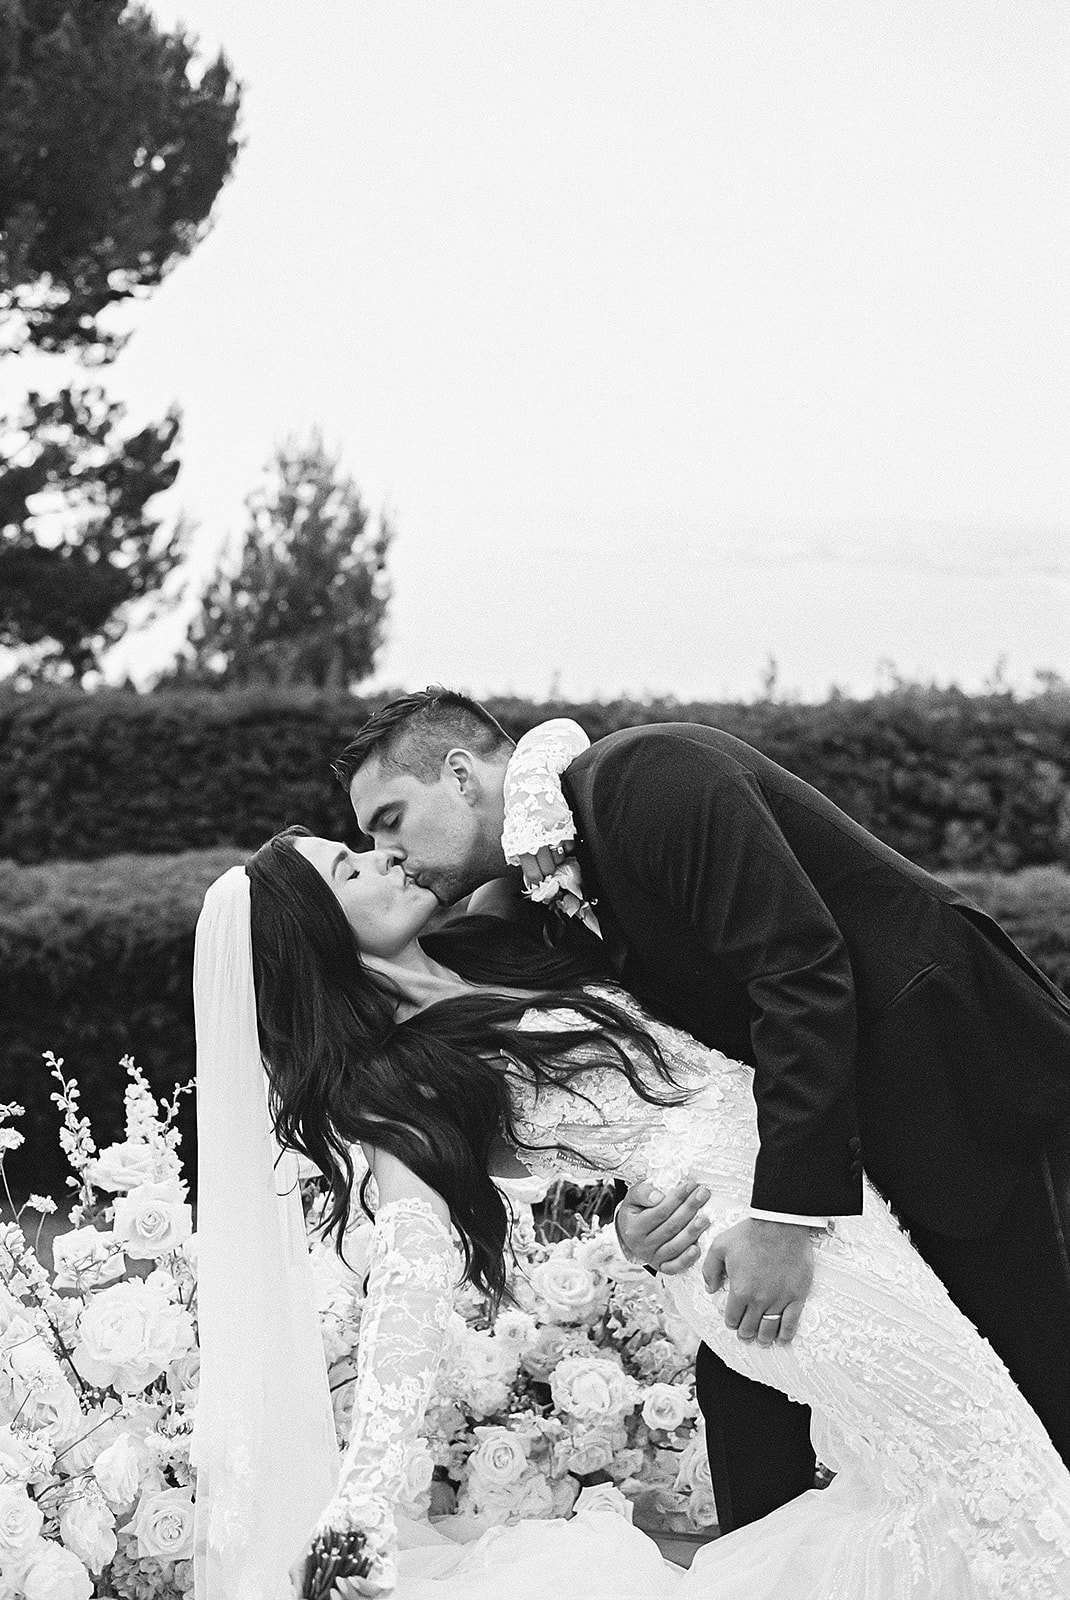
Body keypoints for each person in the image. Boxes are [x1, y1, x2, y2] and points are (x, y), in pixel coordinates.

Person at [192, 824, 1070, 1600]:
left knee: (937, 1484)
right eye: (350, 870)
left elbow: (539, 810)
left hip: (821, 1208)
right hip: (743, 1253)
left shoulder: (491, 943)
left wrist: (538, 768)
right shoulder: (398, 1083)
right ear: (317, 937)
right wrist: (365, 1497)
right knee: (999, 1468)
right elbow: (410, 1282)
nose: (385, 855)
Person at [333, 690, 1070, 1537]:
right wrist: (637, 1219)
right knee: (754, 1445)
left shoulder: (653, 777)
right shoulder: (524, 901)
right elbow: (647, 1067)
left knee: (1035, 1401)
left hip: (957, 1090)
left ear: (460, 774)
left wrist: (786, 1221)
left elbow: (800, 972)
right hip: (813, 1146)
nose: (388, 854)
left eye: (390, 819)